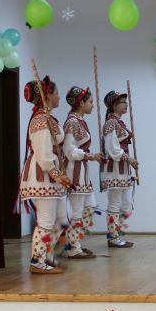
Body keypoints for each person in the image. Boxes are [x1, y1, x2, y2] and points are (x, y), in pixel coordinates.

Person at [19, 76, 70, 274]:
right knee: (46, 220)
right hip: (44, 174)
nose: (59, 97)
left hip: (52, 175)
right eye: (56, 93)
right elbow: (43, 154)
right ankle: (38, 261)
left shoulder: (47, 118)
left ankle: (47, 256)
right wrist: (56, 174)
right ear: (47, 95)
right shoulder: (41, 120)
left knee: (61, 219)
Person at [62, 86, 103, 259]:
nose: (93, 105)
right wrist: (89, 155)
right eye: (90, 102)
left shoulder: (79, 121)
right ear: (81, 103)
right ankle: (74, 248)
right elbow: (68, 150)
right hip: (74, 171)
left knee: (90, 207)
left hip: (82, 172)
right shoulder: (72, 122)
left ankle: (74, 242)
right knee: (77, 212)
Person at [101, 90, 138, 248]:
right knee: (115, 203)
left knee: (126, 205)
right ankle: (113, 238)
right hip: (114, 168)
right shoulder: (111, 123)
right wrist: (129, 158)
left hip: (123, 169)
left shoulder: (119, 122)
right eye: (123, 102)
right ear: (114, 105)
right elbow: (112, 149)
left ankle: (117, 233)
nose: (126, 105)